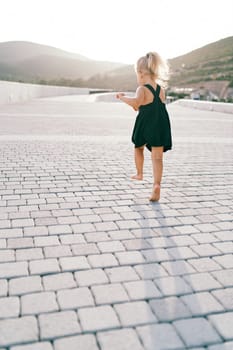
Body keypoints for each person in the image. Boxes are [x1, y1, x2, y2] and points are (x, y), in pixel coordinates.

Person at [116, 52, 172, 201]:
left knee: (138, 147)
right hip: (161, 123)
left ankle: (139, 173)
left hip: (146, 122)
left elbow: (136, 103)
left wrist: (122, 98)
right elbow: (152, 105)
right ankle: (157, 185)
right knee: (157, 157)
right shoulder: (161, 90)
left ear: (141, 73)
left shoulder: (142, 89)